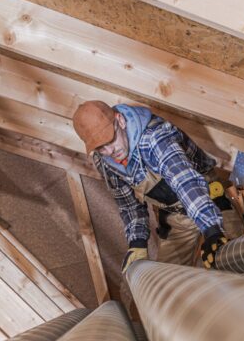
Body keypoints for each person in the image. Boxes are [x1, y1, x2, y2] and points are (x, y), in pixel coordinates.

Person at [71, 100, 231, 272]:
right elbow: (129, 204)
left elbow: (185, 183)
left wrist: (212, 230)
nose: (110, 151)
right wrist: (137, 243)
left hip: (209, 201)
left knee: (238, 262)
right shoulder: (104, 162)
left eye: (110, 140)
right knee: (167, 284)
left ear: (120, 121)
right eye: (101, 147)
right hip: (176, 218)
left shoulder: (155, 138)